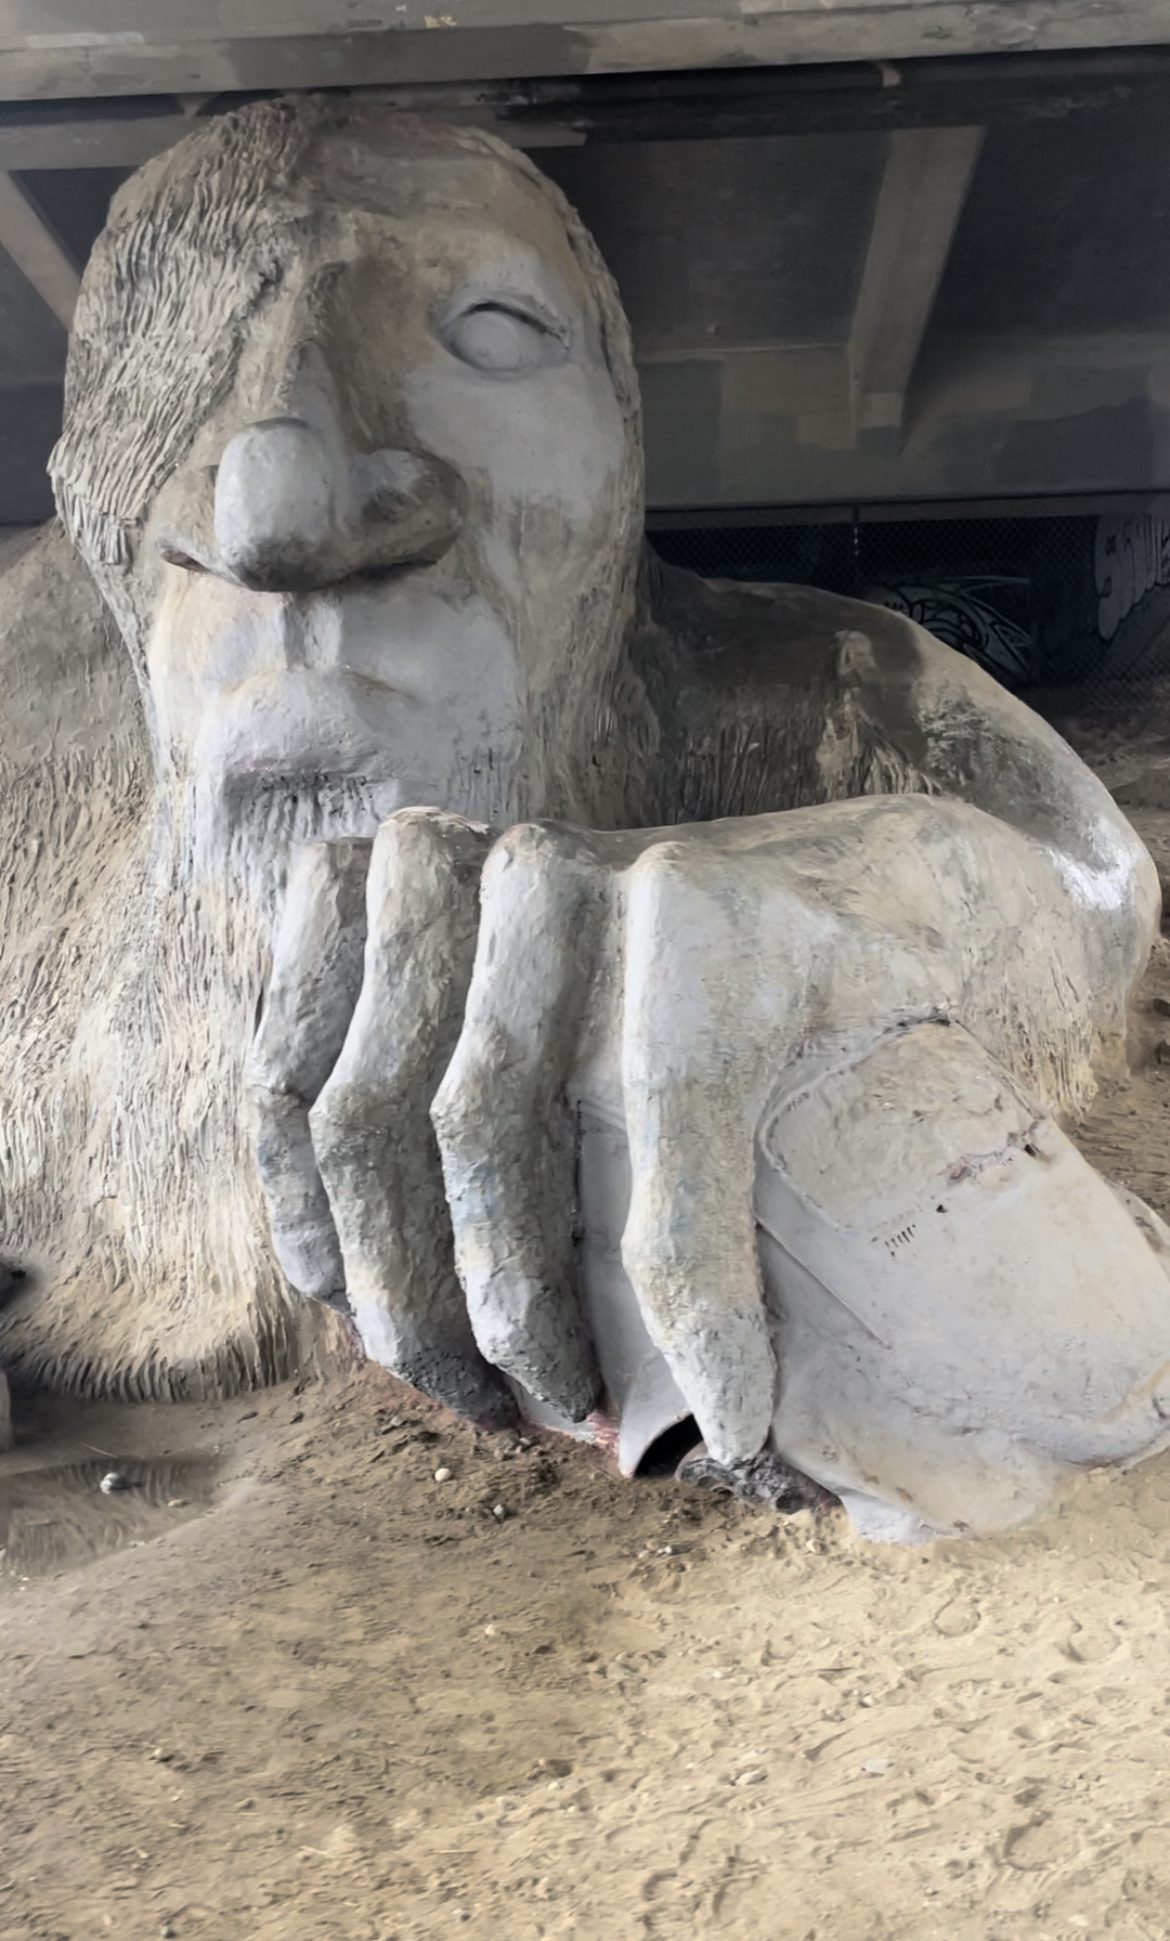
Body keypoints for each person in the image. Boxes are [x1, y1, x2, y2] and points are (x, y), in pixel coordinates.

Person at [0, 97, 1163, 1536]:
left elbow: (1090, 877)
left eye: (489, 330)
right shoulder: (22, 701)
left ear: (622, 474)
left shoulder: (800, 685)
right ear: (82, 502)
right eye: (169, 357)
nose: (275, 508)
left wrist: (878, 889)